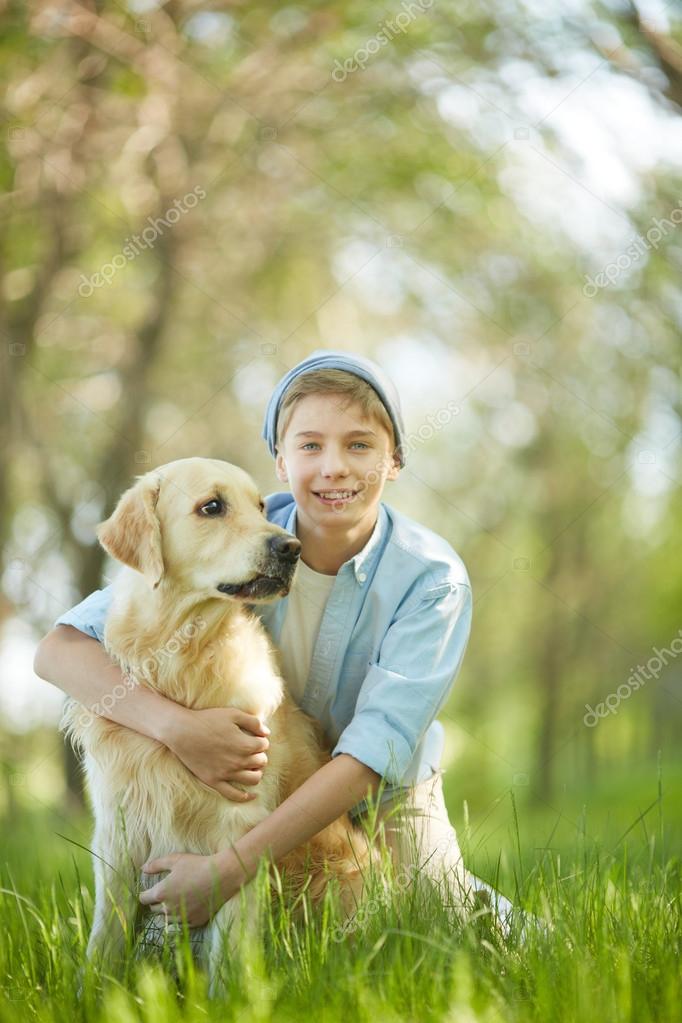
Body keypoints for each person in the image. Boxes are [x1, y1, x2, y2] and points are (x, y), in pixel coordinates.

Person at [34, 350, 514, 933]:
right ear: (281, 462)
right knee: (175, 940)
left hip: (386, 791)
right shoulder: (232, 539)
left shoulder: (433, 580)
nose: (334, 467)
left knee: (440, 922)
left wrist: (227, 870)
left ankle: (532, 937)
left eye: (359, 445)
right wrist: (178, 729)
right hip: (259, 771)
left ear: (394, 462)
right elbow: (59, 651)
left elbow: (372, 754)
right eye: (310, 446)